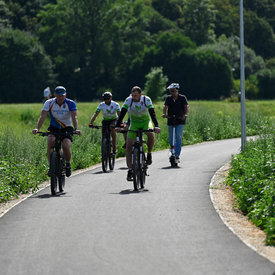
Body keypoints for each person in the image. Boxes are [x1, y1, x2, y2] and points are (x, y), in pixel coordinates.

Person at [32, 86, 81, 177]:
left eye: (62, 95)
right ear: (54, 95)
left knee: (66, 145)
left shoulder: (70, 103)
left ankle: (68, 164)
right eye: (58, 95)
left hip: (67, 127)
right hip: (54, 127)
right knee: (50, 142)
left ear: (65, 94)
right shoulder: (49, 102)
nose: (60, 97)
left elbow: (74, 117)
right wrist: (37, 128)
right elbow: (42, 116)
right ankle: (51, 166)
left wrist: (76, 128)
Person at [115, 86, 160, 181]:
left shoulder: (146, 99)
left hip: (145, 122)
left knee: (151, 134)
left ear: (140, 94)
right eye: (132, 95)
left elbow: (152, 113)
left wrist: (156, 125)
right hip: (134, 123)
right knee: (128, 145)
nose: (134, 97)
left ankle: (149, 153)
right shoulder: (129, 100)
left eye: (135, 95)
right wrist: (118, 125)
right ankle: (130, 169)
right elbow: (123, 112)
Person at [162, 83, 189, 163]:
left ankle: (177, 155)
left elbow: (186, 106)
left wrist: (185, 114)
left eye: (173, 91)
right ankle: (172, 152)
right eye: (170, 91)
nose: (172, 93)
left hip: (180, 120)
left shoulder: (182, 98)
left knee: (178, 137)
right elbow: (165, 106)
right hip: (171, 119)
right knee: (171, 138)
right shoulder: (168, 98)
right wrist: (164, 113)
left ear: (177, 90)